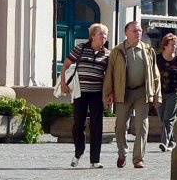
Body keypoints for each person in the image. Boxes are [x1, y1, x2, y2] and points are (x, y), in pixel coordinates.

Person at [103, 21, 161, 169]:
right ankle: (122, 153)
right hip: (124, 92)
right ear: (126, 33)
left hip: (143, 91)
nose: (138, 33)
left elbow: (155, 74)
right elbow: (110, 73)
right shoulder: (118, 51)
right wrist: (109, 93)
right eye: (135, 30)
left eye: (140, 30)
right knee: (121, 125)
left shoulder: (148, 50)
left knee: (142, 125)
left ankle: (138, 159)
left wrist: (157, 95)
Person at [60, 23, 109, 169]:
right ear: (93, 35)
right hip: (80, 92)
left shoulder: (108, 54)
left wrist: (110, 93)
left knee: (97, 125)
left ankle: (95, 160)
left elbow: (110, 75)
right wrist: (63, 83)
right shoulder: (80, 48)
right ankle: (78, 151)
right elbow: (66, 64)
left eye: (105, 34)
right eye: (101, 34)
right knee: (78, 124)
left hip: (97, 93)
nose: (104, 37)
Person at [155, 33, 177, 153]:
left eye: (175, 45)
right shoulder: (157, 58)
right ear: (165, 46)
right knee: (162, 119)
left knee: (168, 118)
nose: (174, 47)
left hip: (174, 92)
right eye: (172, 45)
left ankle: (163, 143)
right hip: (159, 92)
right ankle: (171, 141)